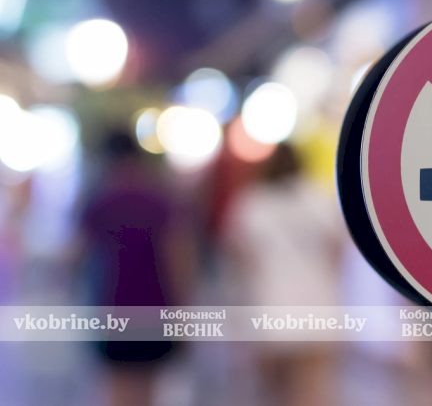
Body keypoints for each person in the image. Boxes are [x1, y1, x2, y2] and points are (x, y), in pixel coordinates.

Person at [223, 143, 345, 406]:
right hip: (317, 301)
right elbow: (336, 249)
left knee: (275, 390)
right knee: (312, 388)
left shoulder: (254, 202)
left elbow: (241, 254)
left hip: (273, 303)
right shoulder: (318, 197)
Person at [79, 130, 195, 406]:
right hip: (155, 306)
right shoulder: (160, 200)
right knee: (148, 388)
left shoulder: (100, 201)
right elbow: (177, 258)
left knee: (117, 387)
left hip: (112, 307)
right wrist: (183, 313)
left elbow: (78, 253)